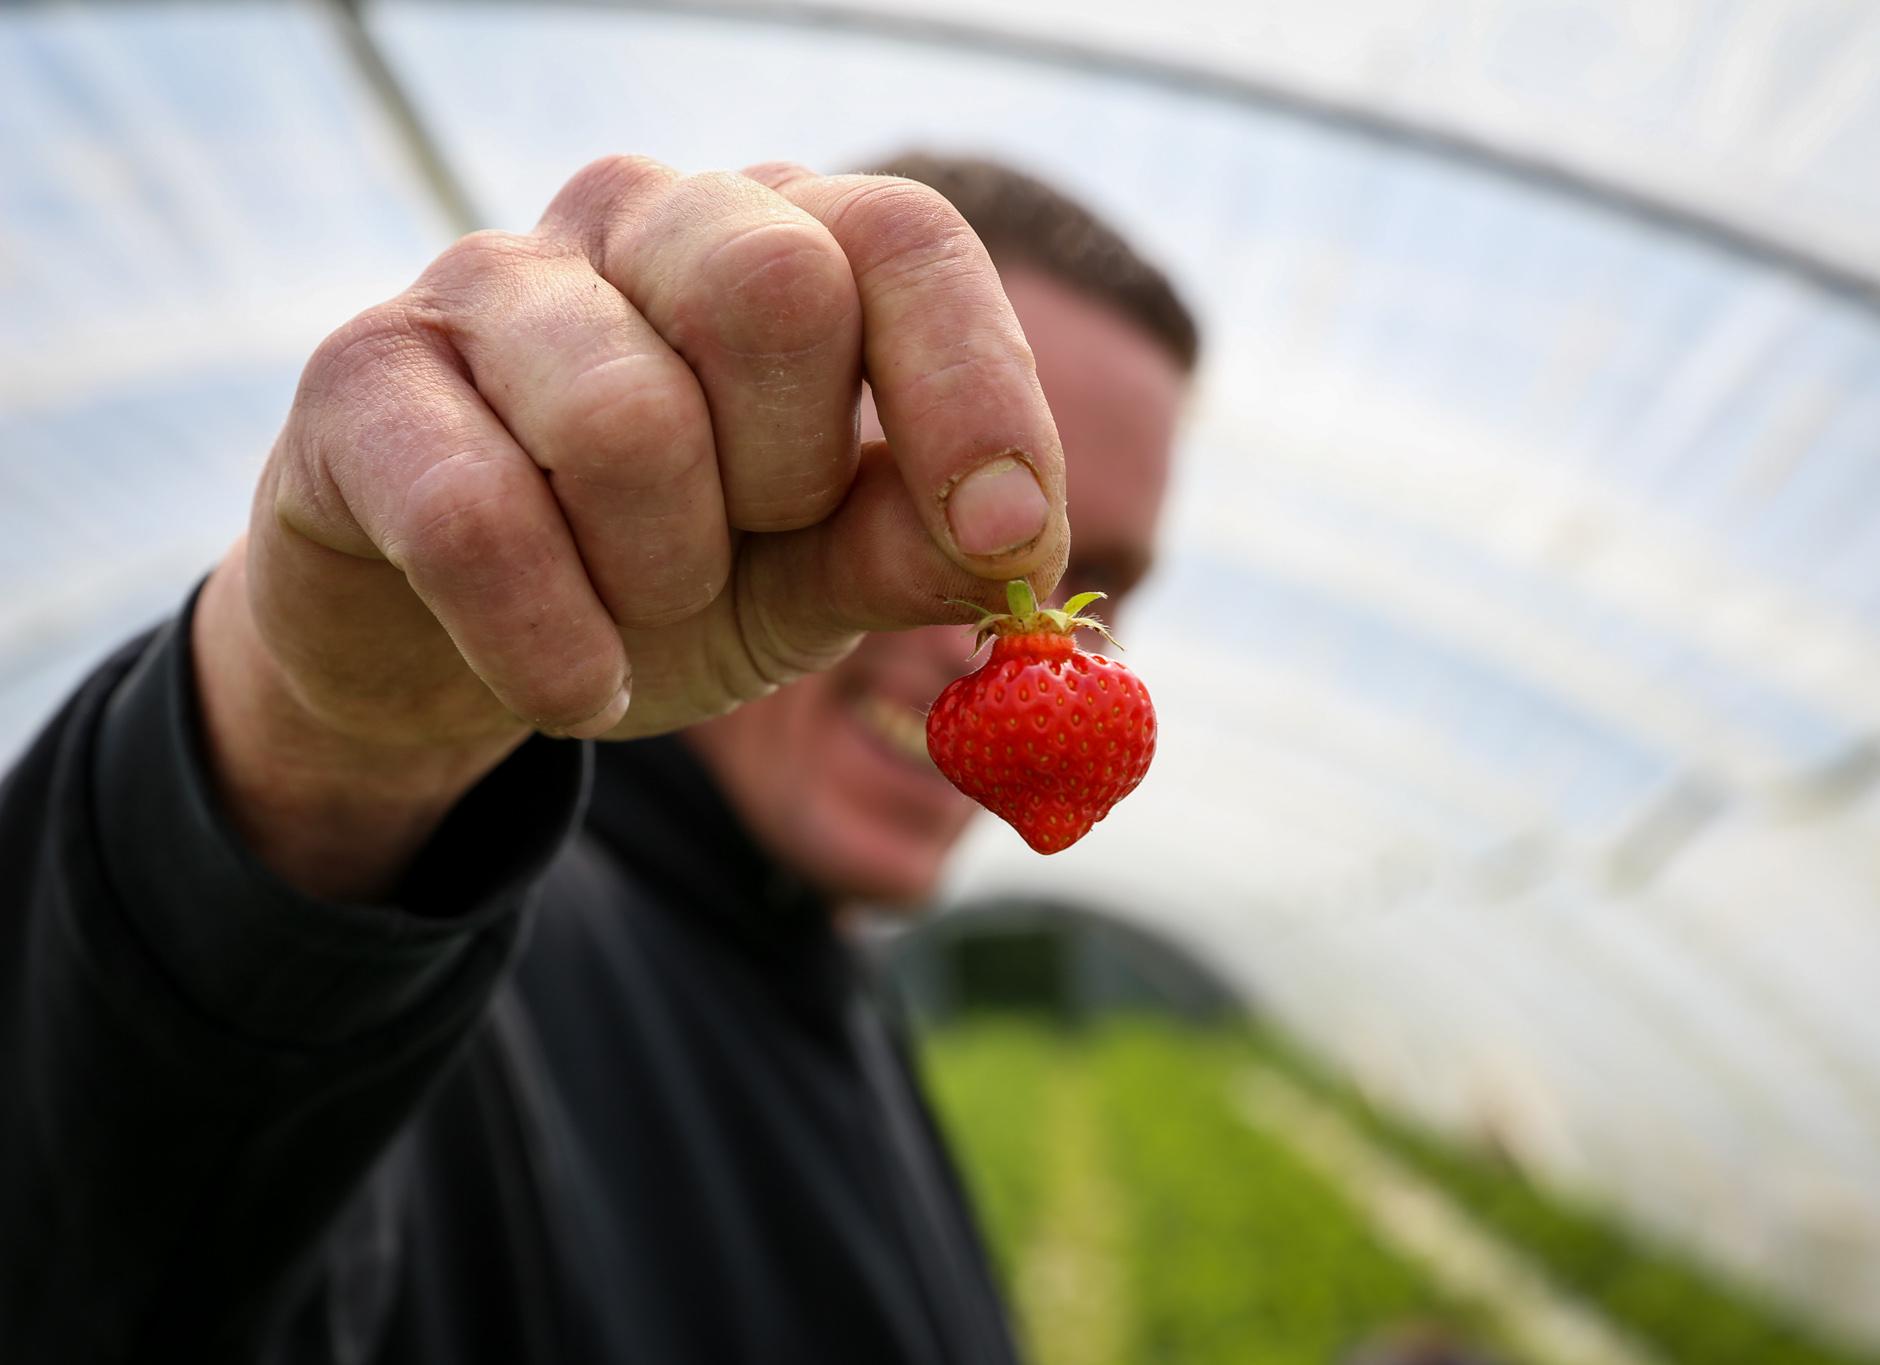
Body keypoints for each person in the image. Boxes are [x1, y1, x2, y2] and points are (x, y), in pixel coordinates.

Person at [0, 151, 1195, 1364]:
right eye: (926, 503)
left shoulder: (829, 984)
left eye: (1084, 573)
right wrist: (315, 760)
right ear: (744, 447)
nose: (986, 624)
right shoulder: (455, 975)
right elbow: (90, 1254)